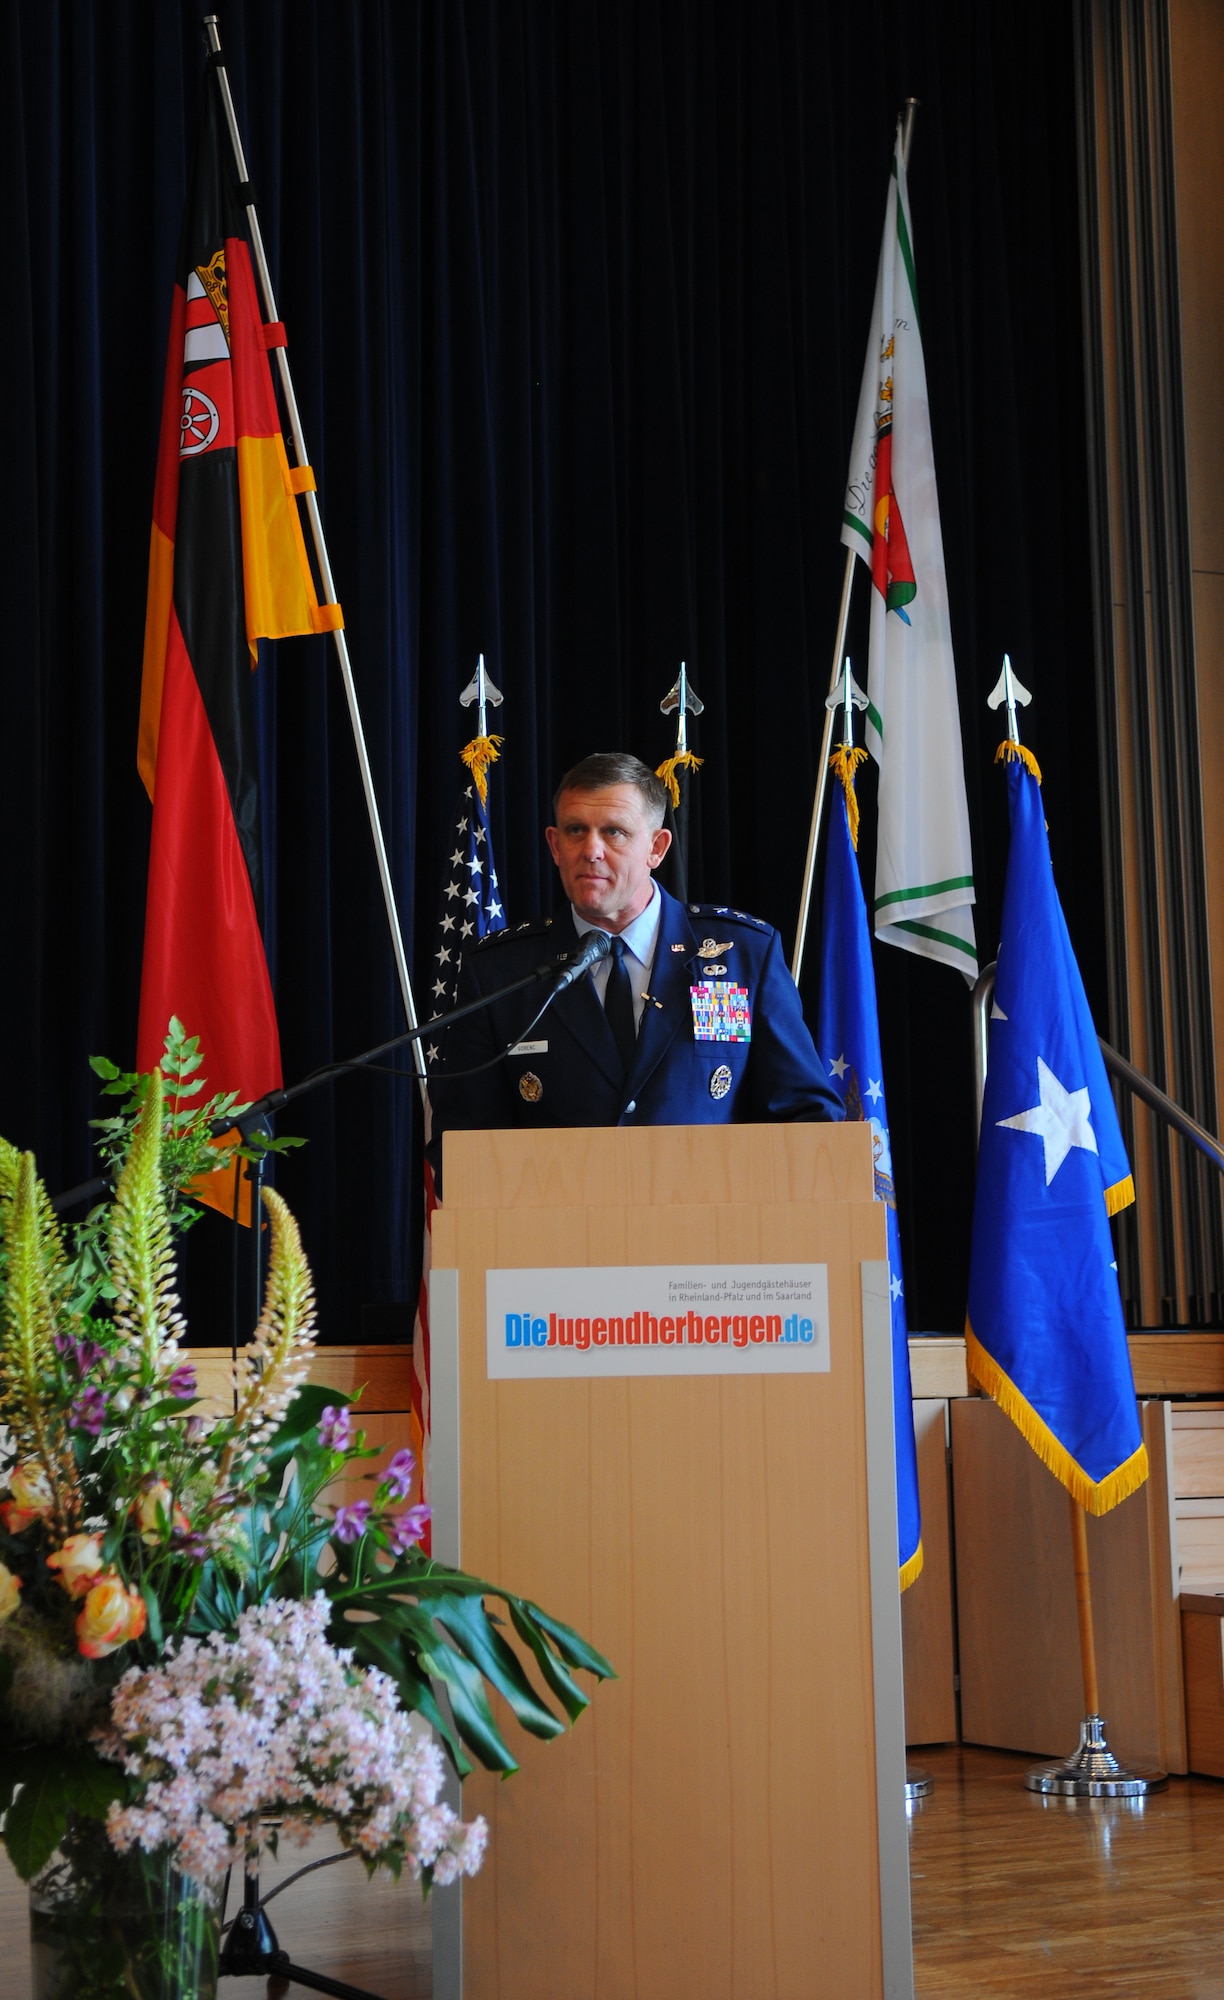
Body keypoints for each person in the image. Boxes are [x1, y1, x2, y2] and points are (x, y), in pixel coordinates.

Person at [428, 752, 842, 1174]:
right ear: (555, 845)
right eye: (576, 830)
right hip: (558, 1234)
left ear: (657, 848)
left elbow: (808, 1119)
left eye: (614, 832)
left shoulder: (744, 956)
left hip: (713, 1231)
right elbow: (459, 1150)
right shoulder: (503, 971)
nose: (592, 850)